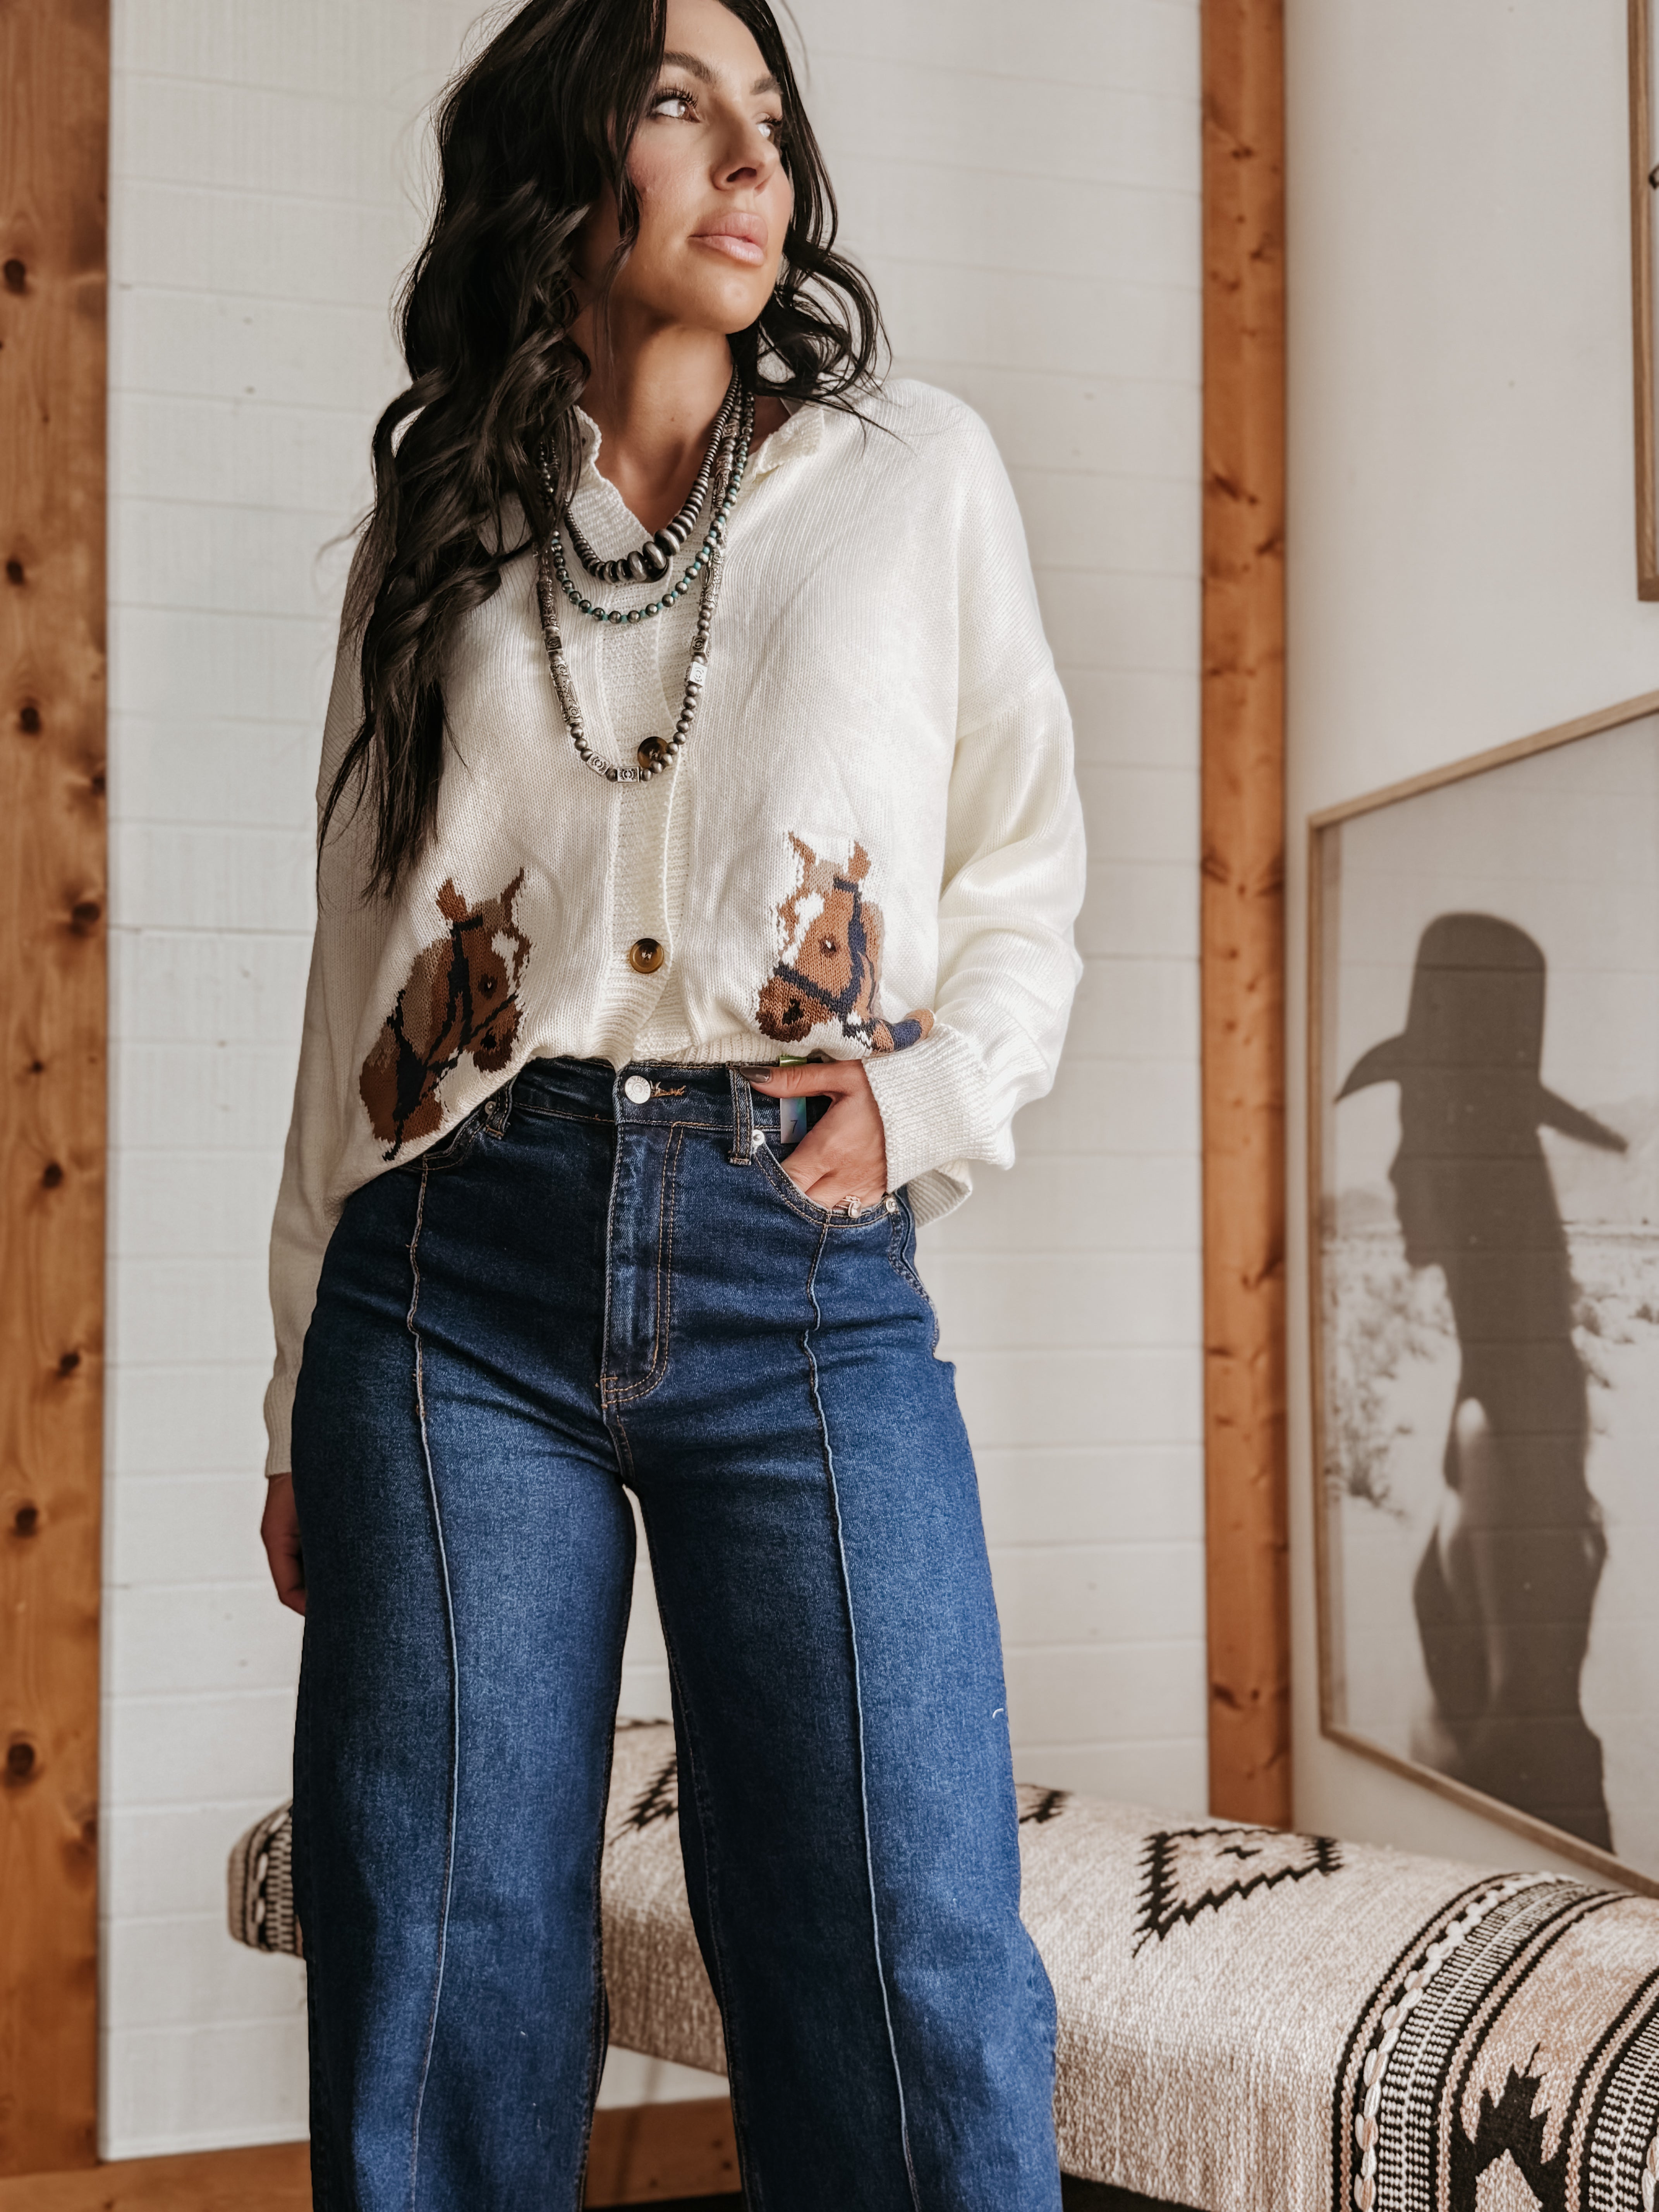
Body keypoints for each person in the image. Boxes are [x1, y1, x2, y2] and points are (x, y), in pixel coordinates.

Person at [256, 2, 1086, 2205]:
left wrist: (927, 1106)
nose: (752, 158)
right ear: (567, 164)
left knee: (901, 1955)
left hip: (790, 1264)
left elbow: (1022, 862)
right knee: (433, 1959)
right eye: (675, 104)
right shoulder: (432, 525)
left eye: (770, 117)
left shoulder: (909, 476)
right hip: (444, 1291)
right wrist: (286, 1394)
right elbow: (356, 986)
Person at [1338, 912, 1625, 1851]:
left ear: (1467, 1163)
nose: (1391, 1162)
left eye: (1416, 1126)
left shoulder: (1497, 1424)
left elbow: (1527, 1762)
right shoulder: (1504, 1389)